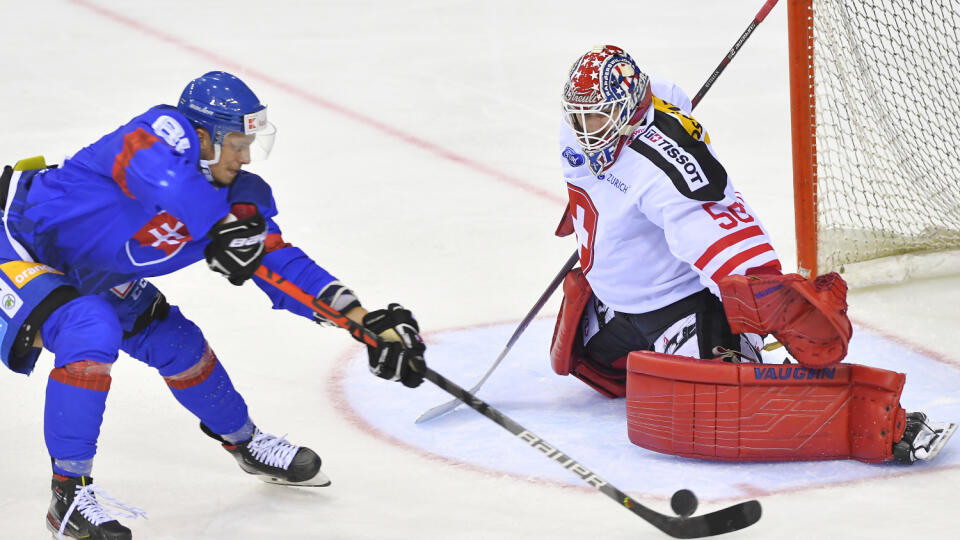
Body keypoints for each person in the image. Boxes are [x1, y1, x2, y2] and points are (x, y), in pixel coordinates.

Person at [1, 71, 426, 540]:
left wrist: (364, 323)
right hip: (15, 242)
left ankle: (244, 443)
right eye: (236, 144)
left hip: (90, 269)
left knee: (177, 343)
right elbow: (159, 177)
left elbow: (281, 266)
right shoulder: (161, 133)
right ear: (202, 136)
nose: (245, 157)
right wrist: (218, 222)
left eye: (251, 145)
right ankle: (68, 496)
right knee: (91, 325)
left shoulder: (235, 199)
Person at [549, 45, 954, 465]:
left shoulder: (665, 175)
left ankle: (878, 420)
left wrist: (773, 298)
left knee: (729, 408)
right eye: (578, 116)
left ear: (629, 111)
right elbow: (665, 95)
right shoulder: (580, 131)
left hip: (684, 307)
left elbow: (716, 229)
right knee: (586, 365)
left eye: (596, 116)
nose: (585, 129)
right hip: (615, 310)